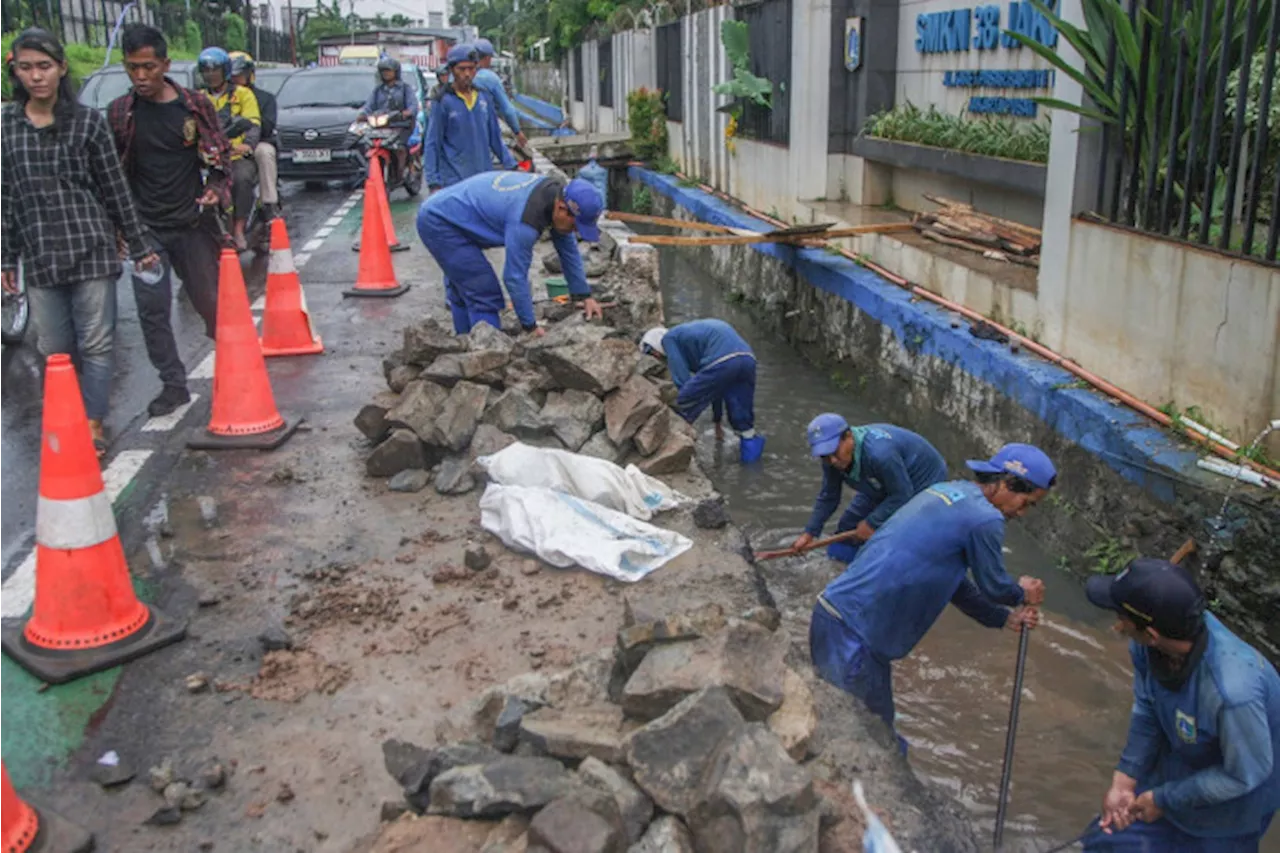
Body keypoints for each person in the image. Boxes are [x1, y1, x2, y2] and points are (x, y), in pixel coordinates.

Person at [809, 442, 1053, 753]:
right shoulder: (985, 519)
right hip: (855, 638)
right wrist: (1023, 592)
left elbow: (954, 585)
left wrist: (1005, 619)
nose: (1023, 512)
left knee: (862, 732)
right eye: (1026, 501)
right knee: (869, 747)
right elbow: (995, 587)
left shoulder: (947, 491)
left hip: (835, 617)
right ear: (1004, 484)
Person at [0, 28, 157, 457]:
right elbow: (6, 196)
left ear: (61, 69)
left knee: (97, 344)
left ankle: (92, 422)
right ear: (15, 71)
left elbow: (113, 188)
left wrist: (140, 245)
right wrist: (6, 258)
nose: (36, 77)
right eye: (27, 68)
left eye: (44, 67)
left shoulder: (88, 123)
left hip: (90, 246)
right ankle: (68, 418)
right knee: (55, 349)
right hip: (40, 254)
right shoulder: (6, 127)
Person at [1083, 558, 1280, 852]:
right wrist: (1125, 779)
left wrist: (1164, 799)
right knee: (1103, 843)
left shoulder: (1233, 692)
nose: (1117, 624)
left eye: (1121, 616)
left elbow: (1243, 775)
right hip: (1176, 770)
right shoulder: (1148, 645)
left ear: (1151, 633)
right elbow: (1147, 708)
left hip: (1230, 807)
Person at [109, 24, 231, 417]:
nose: (141, 77)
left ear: (165, 63)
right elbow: (110, 175)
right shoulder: (120, 113)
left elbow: (219, 156)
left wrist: (215, 187)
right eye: (132, 68)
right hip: (145, 232)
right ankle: (173, 384)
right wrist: (119, 229)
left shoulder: (195, 107)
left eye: (148, 66)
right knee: (152, 311)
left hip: (193, 224)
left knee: (212, 304)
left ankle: (233, 367)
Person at [416, 171, 604, 335]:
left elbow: (569, 251)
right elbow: (514, 277)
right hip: (440, 222)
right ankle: (486, 355)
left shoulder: (555, 196)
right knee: (482, 292)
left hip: (452, 211)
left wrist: (583, 296)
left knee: (463, 287)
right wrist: (530, 326)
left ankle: (464, 343)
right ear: (562, 209)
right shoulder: (527, 220)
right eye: (575, 226)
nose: (575, 232)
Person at [795, 416, 948, 563]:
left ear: (848, 437)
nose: (833, 461)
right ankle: (845, 572)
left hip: (920, 480)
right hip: (879, 481)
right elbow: (829, 496)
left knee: (898, 535)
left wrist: (872, 523)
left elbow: (902, 494)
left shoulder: (880, 455)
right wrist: (810, 532)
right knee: (847, 531)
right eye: (825, 456)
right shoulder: (831, 460)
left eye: (835, 453)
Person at [639, 320, 764, 463]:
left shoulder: (669, 339)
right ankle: (751, 465)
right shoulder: (691, 343)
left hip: (724, 360)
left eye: (653, 353)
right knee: (742, 416)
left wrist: (684, 412)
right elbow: (716, 388)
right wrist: (717, 423)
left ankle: (677, 441)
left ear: (655, 347)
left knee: (685, 397)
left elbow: (682, 381)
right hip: (748, 358)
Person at [425, 44, 515, 192]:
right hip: (454, 180)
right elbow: (433, 142)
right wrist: (433, 181)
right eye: (462, 69)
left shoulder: (484, 97)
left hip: (483, 176)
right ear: (452, 70)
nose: (467, 74)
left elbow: (495, 138)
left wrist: (511, 165)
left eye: (471, 68)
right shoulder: (443, 101)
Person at [198, 46, 260, 251]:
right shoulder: (197, 98)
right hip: (206, 158)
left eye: (215, 70)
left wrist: (246, 145)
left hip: (234, 156)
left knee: (242, 179)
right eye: (206, 70)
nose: (211, 75)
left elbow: (252, 123)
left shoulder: (243, 94)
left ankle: (239, 229)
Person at [229, 51, 279, 222]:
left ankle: (269, 203)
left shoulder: (265, 98)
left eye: (239, 75)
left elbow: (267, 126)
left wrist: (247, 125)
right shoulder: (221, 97)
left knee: (264, 153)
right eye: (232, 75)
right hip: (226, 144)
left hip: (256, 143)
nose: (235, 79)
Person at [356, 55, 417, 187]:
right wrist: (362, 115)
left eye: (389, 71)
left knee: (400, 148)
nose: (386, 74)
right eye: (384, 71)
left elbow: (413, 106)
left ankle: (404, 170)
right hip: (380, 126)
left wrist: (406, 113)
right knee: (365, 143)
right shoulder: (378, 90)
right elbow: (369, 106)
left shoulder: (405, 89)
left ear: (396, 72)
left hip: (401, 125)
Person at [472, 38, 526, 149]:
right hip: (485, 133)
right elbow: (507, 110)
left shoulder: (459, 77)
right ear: (487, 58)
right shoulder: (489, 78)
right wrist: (517, 132)